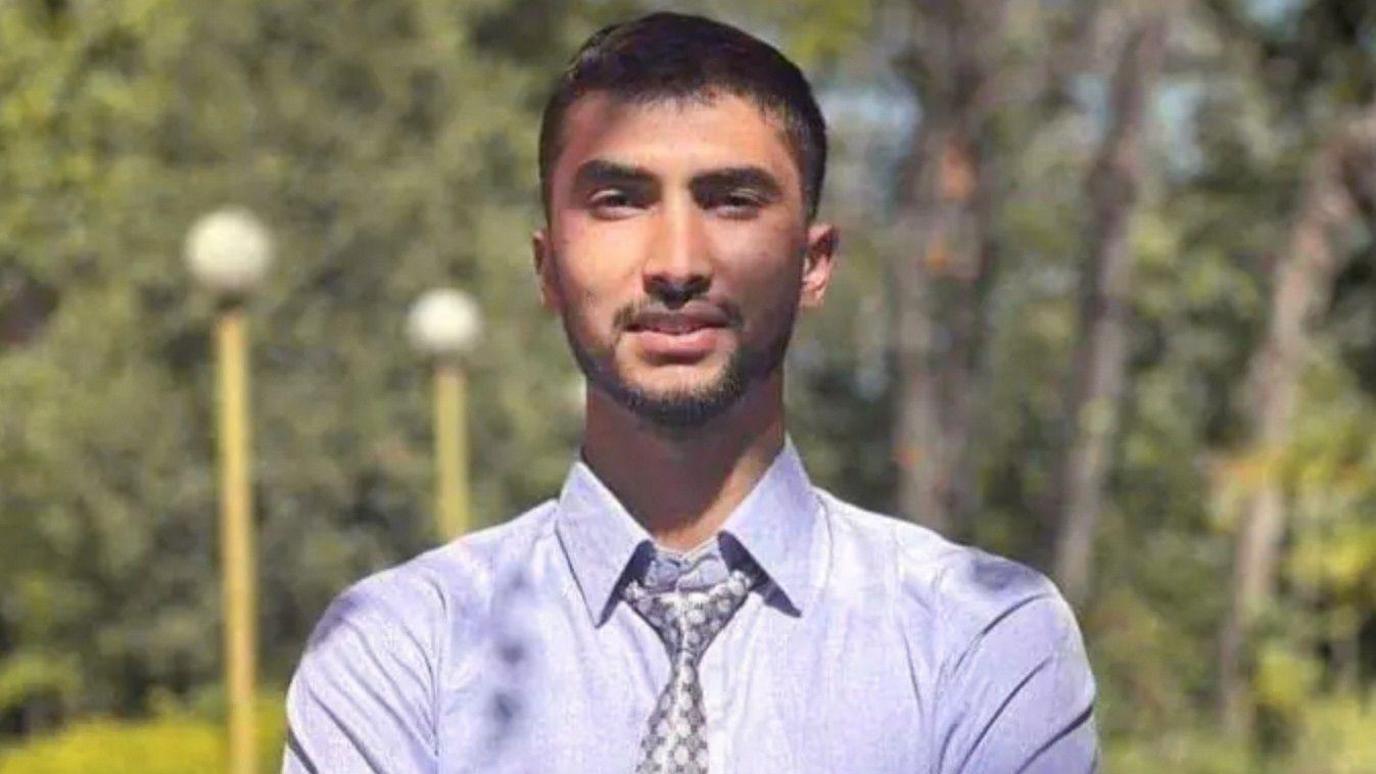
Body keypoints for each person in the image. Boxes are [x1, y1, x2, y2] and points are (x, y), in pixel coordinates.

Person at [283, 12, 1098, 773]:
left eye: (731, 200)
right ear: (547, 268)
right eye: (619, 201)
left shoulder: (979, 636)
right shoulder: (399, 651)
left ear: (814, 262)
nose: (677, 262)